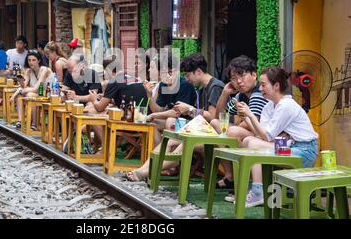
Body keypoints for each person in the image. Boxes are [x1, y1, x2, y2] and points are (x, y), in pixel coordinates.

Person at [126, 53, 224, 182]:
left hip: (212, 133)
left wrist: (189, 109)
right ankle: (141, 170)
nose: (187, 78)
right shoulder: (203, 88)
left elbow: (212, 118)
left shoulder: (213, 86)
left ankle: (146, 172)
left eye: (188, 75)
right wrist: (149, 96)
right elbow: (160, 109)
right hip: (200, 130)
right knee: (169, 140)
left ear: (198, 72)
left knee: (176, 139)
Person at [233, 67, 319, 207]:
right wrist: (246, 116)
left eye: (263, 84)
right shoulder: (269, 106)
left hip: (305, 152)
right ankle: (256, 190)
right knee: (250, 141)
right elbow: (263, 135)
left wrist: (249, 115)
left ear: (276, 85)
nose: (260, 88)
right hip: (288, 146)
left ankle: (257, 191)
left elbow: (266, 136)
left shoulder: (286, 105)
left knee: (252, 144)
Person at [213, 55, 268, 190]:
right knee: (215, 123)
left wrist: (238, 123)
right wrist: (225, 93)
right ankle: (230, 175)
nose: (238, 81)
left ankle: (244, 179)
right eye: (233, 78)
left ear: (254, 75)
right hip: (254, 134)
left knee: (232, 131)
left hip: (265, 137)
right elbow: (220, 117)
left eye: (242, 76)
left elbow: (255, 124)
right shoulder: (241, 95)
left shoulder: (258, 94)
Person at [87, 55, 148, 143]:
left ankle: (106, 150)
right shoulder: (135, 77)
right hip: (144, 118)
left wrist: (93, 99)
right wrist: (108, 99)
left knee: (95, 119)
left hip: (131, 121)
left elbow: (99, 107)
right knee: (106, 112)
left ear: (108, 70)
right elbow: (127, 96)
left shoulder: (114, 80)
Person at [143, 52, 197, 146]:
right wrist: (149, 95)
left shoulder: (185, 85)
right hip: (172, 121)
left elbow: (177, 112)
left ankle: (170, 157)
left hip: (189, 123)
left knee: (170, 121)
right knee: (151, 124)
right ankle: (160, 155)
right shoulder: (163, 85)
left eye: (170, 72)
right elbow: (158, 109)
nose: (167, 76)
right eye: (164, 73)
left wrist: (153, 115)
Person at [10, 52, 51, 129]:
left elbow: (36, 88)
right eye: (29, 60)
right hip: (37, 94)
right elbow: (23, 86)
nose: (31, 62)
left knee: (29, 94)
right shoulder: (28, 71)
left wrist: (17, 92)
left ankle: (34, 124)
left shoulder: (44, 70)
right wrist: (21, 81)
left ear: (38, 61)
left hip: (48, 94)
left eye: (33, 60)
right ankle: (20, 121)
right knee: (22, 95)